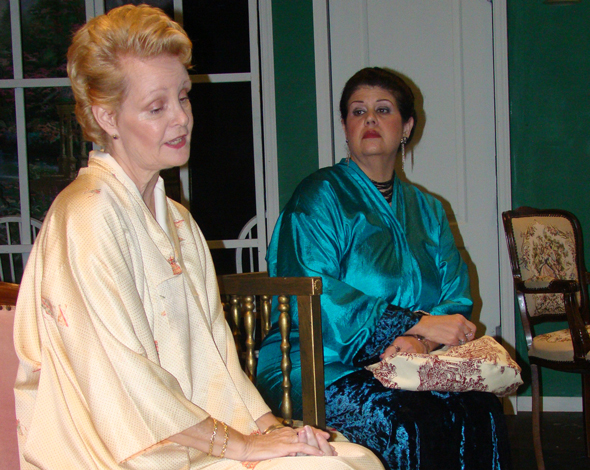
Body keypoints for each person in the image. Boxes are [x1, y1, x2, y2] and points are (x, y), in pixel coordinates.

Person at [12, 6, 383, 470]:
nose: (181, 118)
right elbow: (125, 384)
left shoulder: (178, 222)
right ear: (106, 116)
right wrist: (246, 448)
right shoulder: (86, 216)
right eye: (156, 107)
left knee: (353, 456)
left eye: (183, 97)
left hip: (189, 446)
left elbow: (218, 361)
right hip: (116, 456)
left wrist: (271, 429)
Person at [257, 67, 512, 469]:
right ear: (345, 125)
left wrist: (420, 342)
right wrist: (415, 325)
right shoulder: (319, 196)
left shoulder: (428, 209)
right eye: (358, 112)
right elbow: (314, 291)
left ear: (406, 126)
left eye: (383, 109)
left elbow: (455, 294)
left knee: (479, 408)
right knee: (404, 421)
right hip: (317, 361)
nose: (370, 119)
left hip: (413, 360)